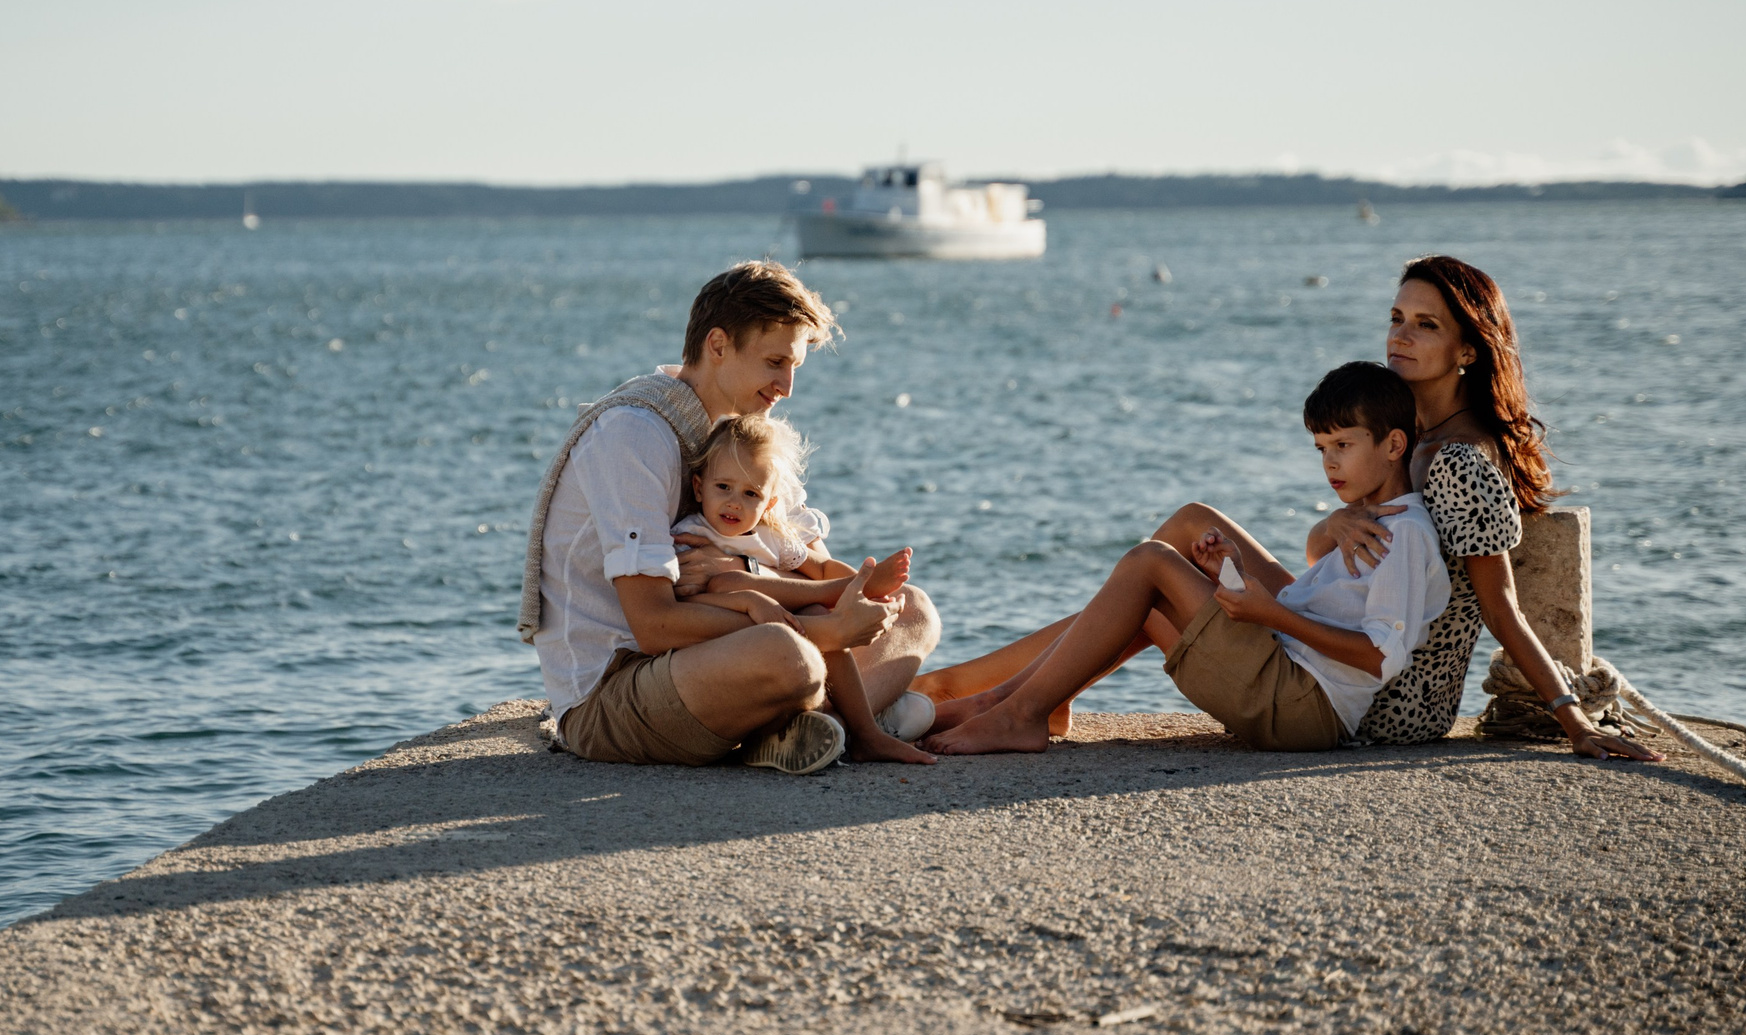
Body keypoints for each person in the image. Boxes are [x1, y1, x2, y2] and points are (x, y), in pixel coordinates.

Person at [918, 255, 1660, 762]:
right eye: (1398, 316)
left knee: (1160, 575)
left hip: (1386, 698)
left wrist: (1575, 722)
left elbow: (1499, 610)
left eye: (1426, 324)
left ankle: (999, 703)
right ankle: (1022, 699)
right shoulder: (1404, 428)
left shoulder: (1459, 459)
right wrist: (1331, 524)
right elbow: (1324, 555)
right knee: (1190, 521)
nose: (1401, 332)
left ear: (1469, 348)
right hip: (1337, 626)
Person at [520, 261, 942, 775]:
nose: (786, 385)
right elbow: (653, 627)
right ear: (718, 346)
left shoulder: (744, 439)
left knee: (912, 608)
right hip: (615, 688)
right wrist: (827, 632)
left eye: (794, 368)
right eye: (774, 362)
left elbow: (811, 566)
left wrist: (834, 598)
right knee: (789, 656)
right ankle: (846, 720)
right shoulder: (635, 434)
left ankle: (814, 728)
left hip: (720, 653)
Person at [924, 363, 1448, 754]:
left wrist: (1271, 615)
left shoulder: (1404, 537)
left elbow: (1383, 657)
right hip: (1286, 661)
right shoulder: (1371, 515)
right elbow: (1325, 572)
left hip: (1301, 705)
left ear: (1394, 444)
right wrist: (1246, 562)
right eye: (1320, 449)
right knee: (1189, 527)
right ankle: (1039, 697)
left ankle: (1018, 709)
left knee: (1149, 566)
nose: (1330, 462)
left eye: (1343, 446)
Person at [672, 414, 937, 764]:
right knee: (729, 582)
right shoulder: (693, 535)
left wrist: (860, 584)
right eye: (723, 487)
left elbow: (821, 566)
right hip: (738, 646)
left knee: (821, 615)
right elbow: (689, 599)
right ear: (698, 487)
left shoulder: (772, 536)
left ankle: (860, 730)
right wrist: (748, 599)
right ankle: (867, 720)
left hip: (799, 634)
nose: (734, 502)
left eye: (750, 493)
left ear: (768, 503)